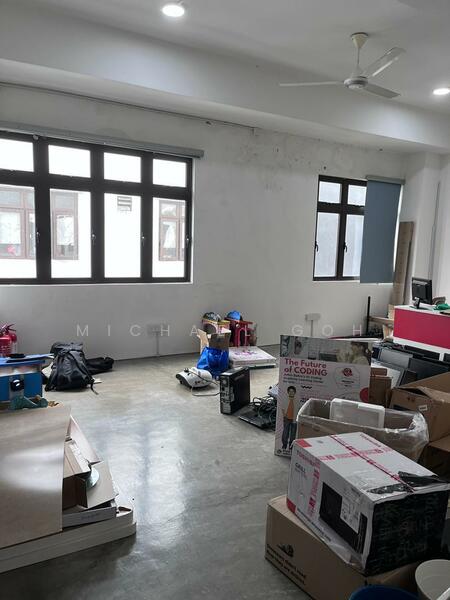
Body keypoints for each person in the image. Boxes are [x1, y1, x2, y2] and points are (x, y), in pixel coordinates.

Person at [282, 385, 298, 450]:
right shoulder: (285, 399)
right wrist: (284, 415)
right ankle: (284, 445)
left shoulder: (297, 401)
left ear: (295, 392)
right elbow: (283, 408)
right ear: (288, 392)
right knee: (285, 433)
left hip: (294, 419)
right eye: (290, 391)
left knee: (293, 434)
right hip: (287, 418)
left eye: (293, 391)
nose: (291, 393)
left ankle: (291, 447)